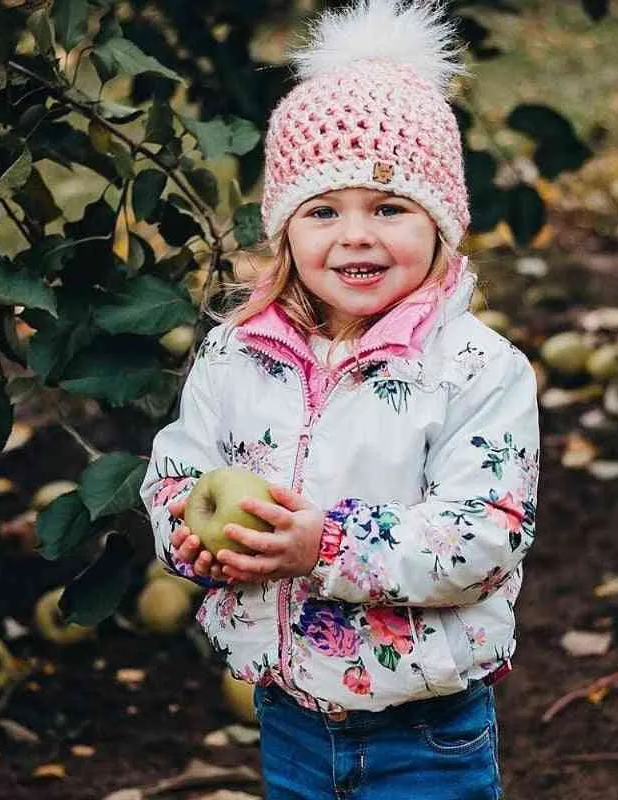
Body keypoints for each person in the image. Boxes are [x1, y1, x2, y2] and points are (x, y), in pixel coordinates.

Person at [139, 1, 539, 797]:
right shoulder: (237, 351)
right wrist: (192, 537)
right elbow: (177, 474)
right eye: (322, 211)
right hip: (285, 713)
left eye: (388, 208)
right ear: (285, 232)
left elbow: (486, 534)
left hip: (425, 725)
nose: (355, 235)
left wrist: (323, 546)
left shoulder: (475, 369)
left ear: (441, 223)